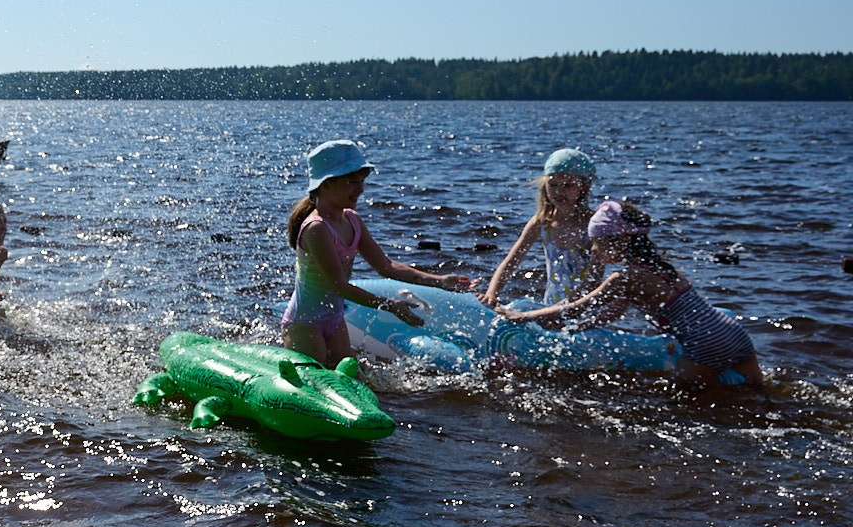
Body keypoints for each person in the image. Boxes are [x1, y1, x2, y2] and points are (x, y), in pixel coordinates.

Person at [500, 200, 763, 386]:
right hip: (733, 333)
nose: (592, 250)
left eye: (597, 243)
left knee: (690, 404)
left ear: (622, 241)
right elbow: (616, 310)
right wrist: (582, 328)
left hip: (705, 345)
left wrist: (522, 316)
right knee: (758, 397)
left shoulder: (624, 277)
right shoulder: (658, 266)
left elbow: (578, 305)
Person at [283, 139, 475, 367]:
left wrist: (439, 281)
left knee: (352, 378)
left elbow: (386, 266)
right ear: (325, 184)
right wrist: (390, 306)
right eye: (352, 182)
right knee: (317, 384)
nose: (360, 189)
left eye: (362, 181)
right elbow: (339, 286)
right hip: (305, 323)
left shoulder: (352, 220)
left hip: (334, 320)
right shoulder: (317, 228)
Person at [481, 147, 600, 308]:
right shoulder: (542, 221)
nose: (559, 191)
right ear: (545, 185)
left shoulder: (594, 225)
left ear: (583, 187)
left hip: (585, 307)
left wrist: (570, 305)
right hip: (551, 304)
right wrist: (492, 293)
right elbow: (511, 261)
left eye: (568, 185)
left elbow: (595, 278)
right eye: (553, 184)